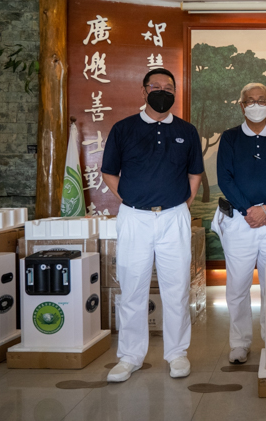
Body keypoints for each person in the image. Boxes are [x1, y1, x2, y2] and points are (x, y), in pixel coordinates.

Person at [101, 67, 203, 382]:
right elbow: (109, 172)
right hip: (134, 218)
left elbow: (194, 174)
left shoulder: (187, 130)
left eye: (168, 86)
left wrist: (182, 206)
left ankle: (177, 354)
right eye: (155, 85)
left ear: (175, 92)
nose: (162, 90)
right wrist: (130, 200)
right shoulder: (123, 129)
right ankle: (129, 356)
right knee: (132, 288)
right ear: (144, 91)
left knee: (176, 288)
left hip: (174, 217)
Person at [212, 82, 266, 364]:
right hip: (240, 220)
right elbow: (225, 178)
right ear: (242, 104)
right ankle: (239, 342)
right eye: (250, 100)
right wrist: (248, 209)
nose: (256, 104)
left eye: (261, 99)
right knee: (237, 285)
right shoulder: (230, 138)